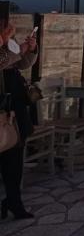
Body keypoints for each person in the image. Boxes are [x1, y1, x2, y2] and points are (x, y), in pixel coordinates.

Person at [0, 21, 38, 219]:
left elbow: (20, 64)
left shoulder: (6, 36)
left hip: (14, 105)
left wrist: (30, 50)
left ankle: (14, 201)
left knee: (15, 156)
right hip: (3, 105)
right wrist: (13, 48)